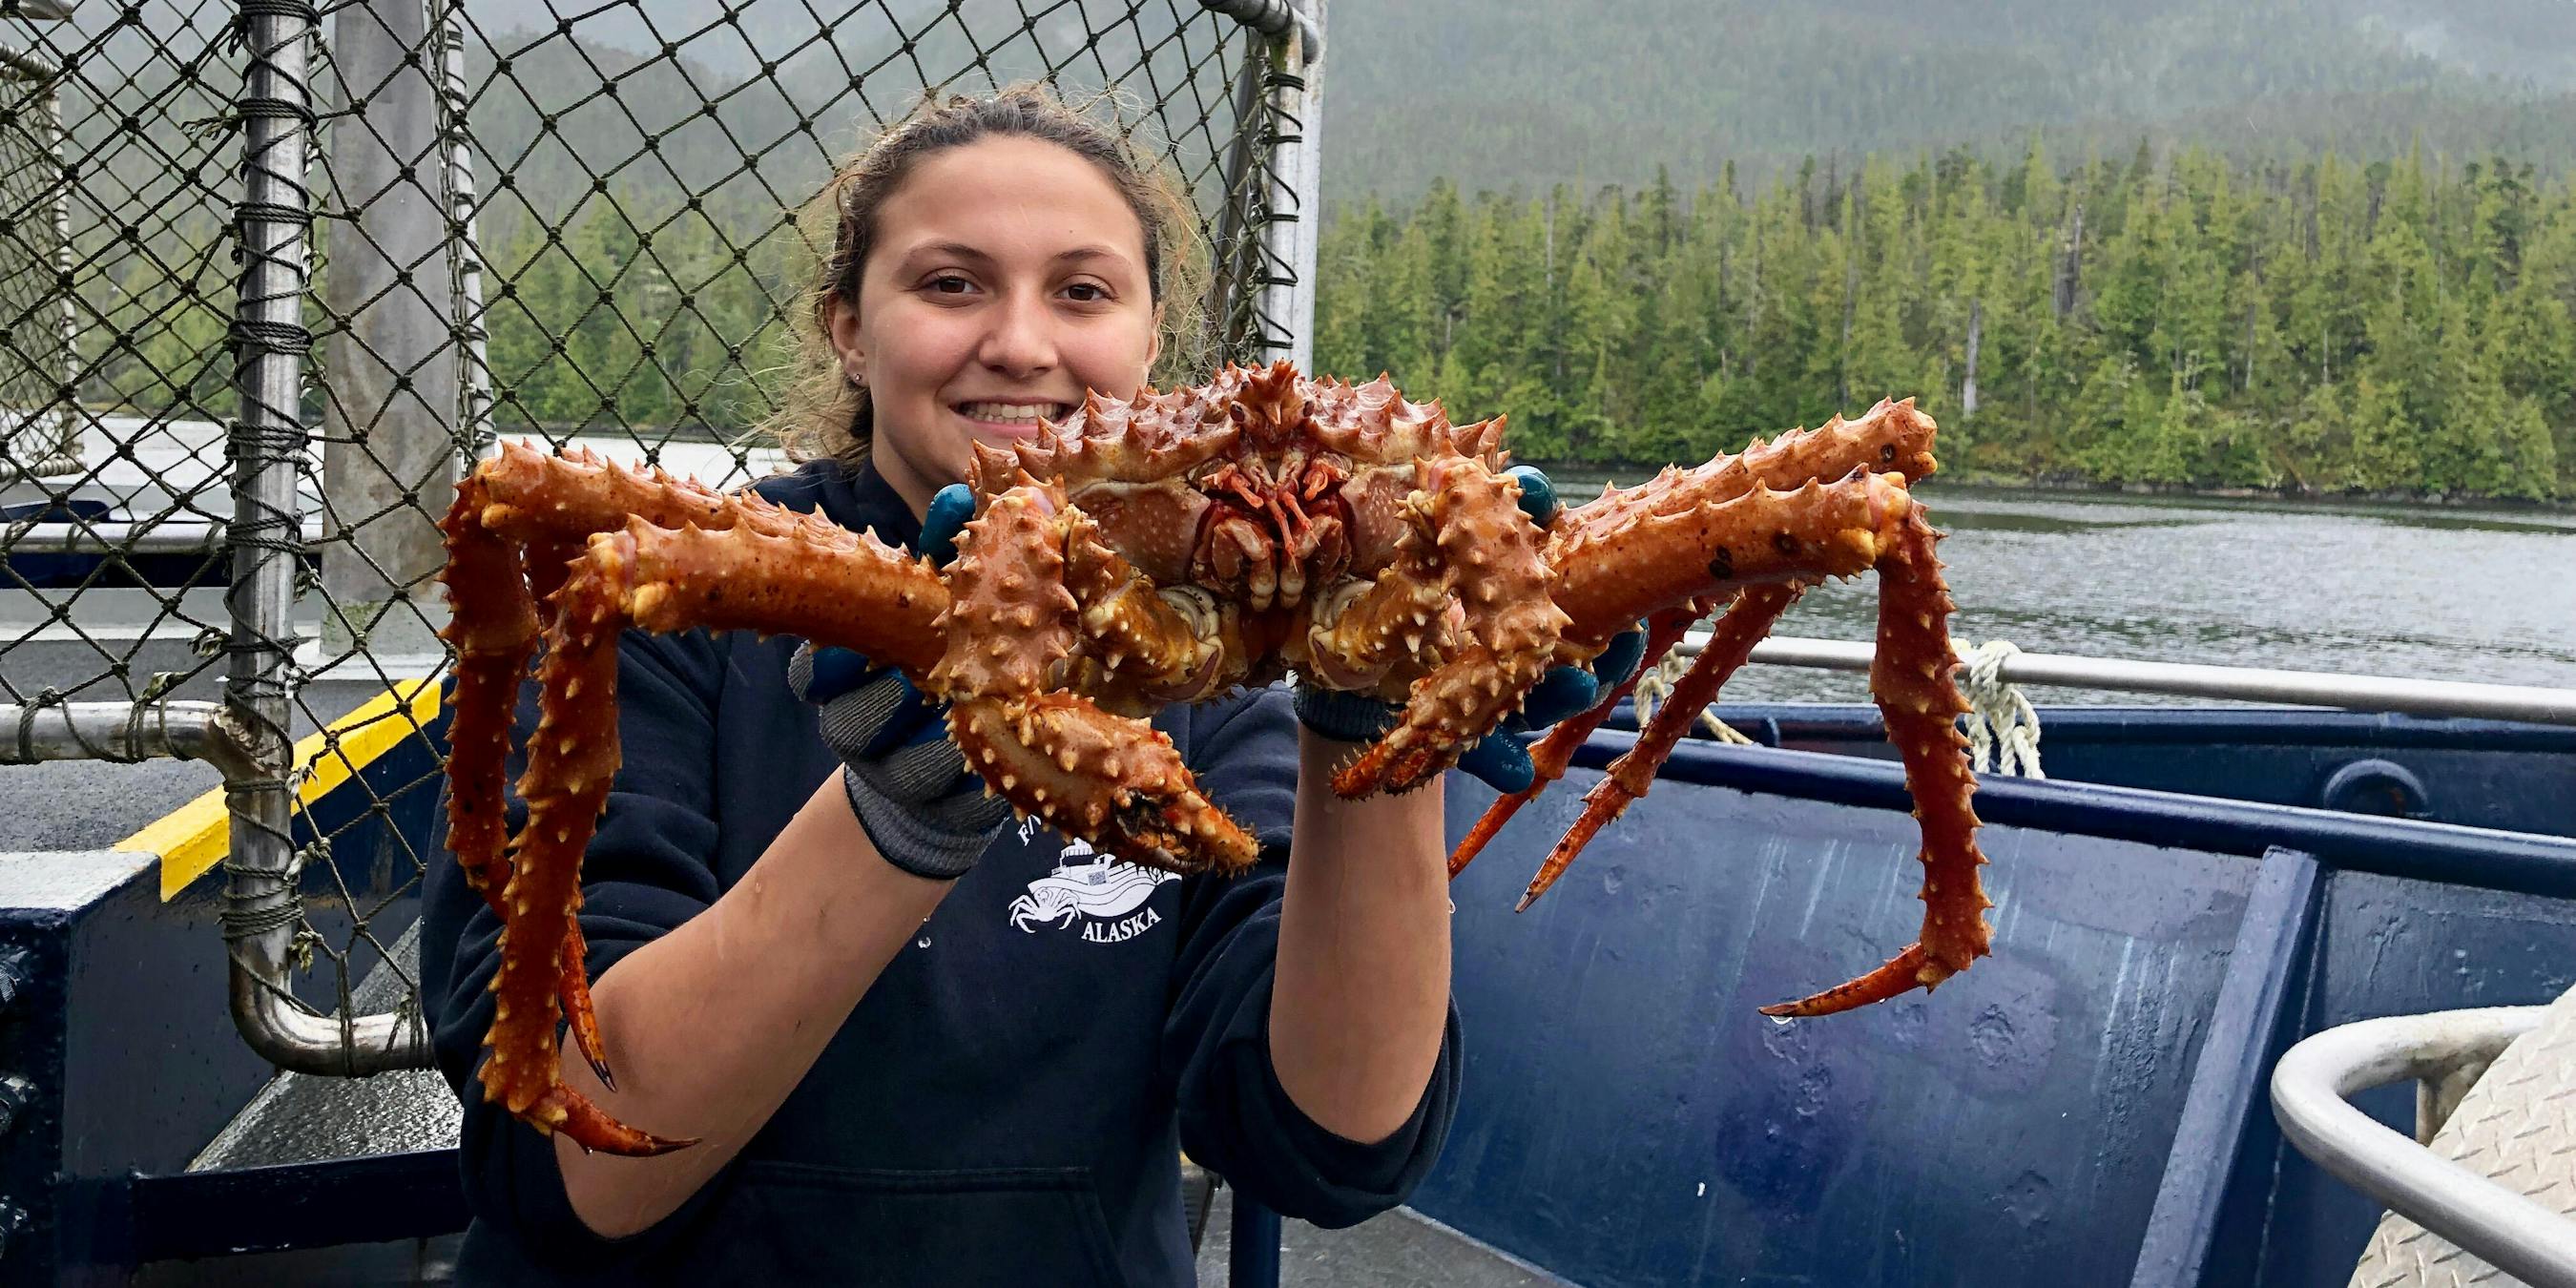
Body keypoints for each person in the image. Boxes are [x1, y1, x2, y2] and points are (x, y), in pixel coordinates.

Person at [422, 84, 1632, 1286]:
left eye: (1084, 290)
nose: (1020, 341)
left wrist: (1384, 732)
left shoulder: (1226, 670)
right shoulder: (666, 605)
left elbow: (1329, 1141)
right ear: (848, 325)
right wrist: (898, 815)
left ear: (1152, 341)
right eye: (951, 283)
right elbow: (565, 1167)